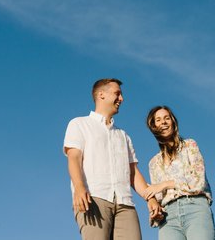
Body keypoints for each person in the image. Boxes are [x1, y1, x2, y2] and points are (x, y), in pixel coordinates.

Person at [64, 78, 164, 240]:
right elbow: (74, 158)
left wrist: (150, 198)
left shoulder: (123, 136)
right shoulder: (79, 124)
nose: (121, 99)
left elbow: (133, 173)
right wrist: (79, 188)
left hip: (125, 204)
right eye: (117, 94)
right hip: (93, 198)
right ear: (101, 95)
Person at [142, 106, 215, 240]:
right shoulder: (153, 163)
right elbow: (158, 197)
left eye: (166, 118)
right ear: (153, 126)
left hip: (195, 208)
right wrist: (156, 211)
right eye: (158, 120)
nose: (163, 122)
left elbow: (198, 181)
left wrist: (165, 184)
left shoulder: (190, 146)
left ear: (173, 122)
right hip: (168, 219)